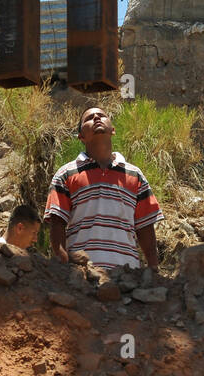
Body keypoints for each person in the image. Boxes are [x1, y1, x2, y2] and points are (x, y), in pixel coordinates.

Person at [45, 106, 162, 271]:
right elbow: (57, 223)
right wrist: (62, 267)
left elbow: (145, 226)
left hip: (128, 276)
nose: (96, 118)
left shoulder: (135, 175)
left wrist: (153, 268)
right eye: (89, 118)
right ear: (81, 136)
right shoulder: (65, 174)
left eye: (101, 116)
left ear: (112, 130)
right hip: (83, 275)